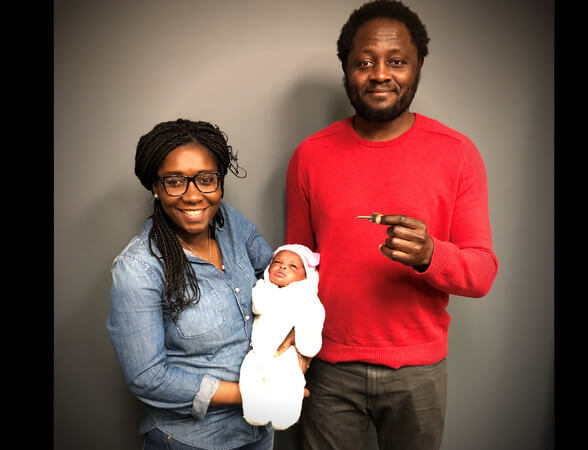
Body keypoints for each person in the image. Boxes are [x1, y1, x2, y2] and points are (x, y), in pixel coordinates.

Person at [284, 1, 499, 449]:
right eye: (364, 62)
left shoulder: (457, 154)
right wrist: (291, 350)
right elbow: (296, 269)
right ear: (345, 69)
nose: (380, 74)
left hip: (418, 374)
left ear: (418, 64)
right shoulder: (310, 156)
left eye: (396, 61)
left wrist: (430, 255)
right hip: (327, 367)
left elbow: (481, 273)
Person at [106, 119, 278, 450]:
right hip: (190, 440)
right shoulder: (138, 268)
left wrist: (293, 350)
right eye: (175, 182)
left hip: (258, 430)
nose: (193, 195)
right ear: (155, 187)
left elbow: (277, 277)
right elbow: (148, 379)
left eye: (206, 180)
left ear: (219, 182)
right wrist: (254, 392)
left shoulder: (232, 223)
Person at [239, 244, 324, 431]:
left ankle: (285, 415)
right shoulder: (262, 289)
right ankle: (255, 413)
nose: (283, 267)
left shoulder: (306, 297)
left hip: (286, 356)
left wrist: (307, 345)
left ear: (306, 276)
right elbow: (257, 306)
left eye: (293, 266)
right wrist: (266, 287)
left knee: (288, 382)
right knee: (249, 377)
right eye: (277, 263)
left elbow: (314, 320)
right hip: (257, 352)